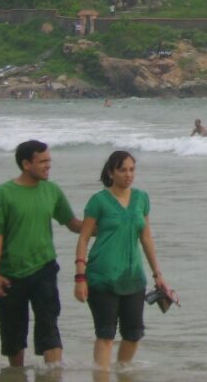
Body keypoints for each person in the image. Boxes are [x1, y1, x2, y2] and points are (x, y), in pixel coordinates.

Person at [0, 140, 82, 367]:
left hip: (44, 269)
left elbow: (73, 224)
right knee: (13, 334)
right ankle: (16, 374)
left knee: (49, 324)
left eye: (49, 160)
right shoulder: (4, 194)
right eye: (43, 161)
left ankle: (53, 375)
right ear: (26, 164)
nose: (48, 165)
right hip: (10, 274)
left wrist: (105, 226)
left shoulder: (52, 190)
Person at [74, 151, 172, 371]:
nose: (129, 175)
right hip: (102, 277)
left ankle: (121, 373)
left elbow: (146, 238)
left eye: (132, 169)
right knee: (106, 333)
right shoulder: (99, 201)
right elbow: (83, 239)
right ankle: (102, 375)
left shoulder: (141, 198)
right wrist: (80, 277)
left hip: (133, 277)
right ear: (111, 172)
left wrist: (158, 274)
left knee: (134, 334)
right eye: (123, 170)